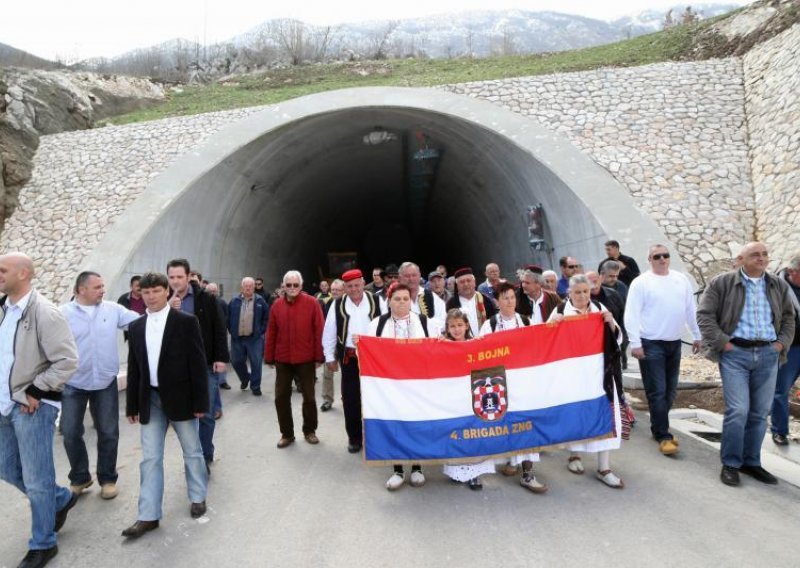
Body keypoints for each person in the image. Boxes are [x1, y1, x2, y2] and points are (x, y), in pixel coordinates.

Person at [0, 252, 79, 568]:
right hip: (3, 406)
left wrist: (35, 390)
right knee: (6, 467)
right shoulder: (3, 310)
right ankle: (60, 499)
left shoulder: (46, 312)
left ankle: (43, 543)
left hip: (31, 406)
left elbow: (67, 361)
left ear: (24, 273)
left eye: (3, 269)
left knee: (36, 478)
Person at [697, 242, 795, 487]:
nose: (761, 258)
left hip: (768, 355)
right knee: (738, 410)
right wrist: (724, 343)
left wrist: (780, 345)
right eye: (755, 255)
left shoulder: (777, 284)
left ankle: (751, 462)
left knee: (760, 413)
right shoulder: (722, 283)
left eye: (764, 254)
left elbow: (789, 318)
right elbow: (705, 315)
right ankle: (730, 463)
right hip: (735, 355)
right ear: (741, 259)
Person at [123, 272, 210, 539]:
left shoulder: (185, 322)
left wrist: (200, 401)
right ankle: (148, 515)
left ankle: (197, 497)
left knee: (192, 450)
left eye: (156, 291)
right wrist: (132, 406)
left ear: (166, 291)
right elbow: (135, 366)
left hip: (182, 397)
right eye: (145, 292)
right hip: (150, 398)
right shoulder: (136, 326)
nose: (150, 296)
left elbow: (197, 364)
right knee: (150, 458)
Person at [60, 271, 140, 501]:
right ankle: (80, 477)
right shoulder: (63, 314)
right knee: (70, 431)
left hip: (104, 382)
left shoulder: (113, 310)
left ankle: (107, 479)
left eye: (103, 286)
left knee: (108, 432)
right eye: (97, 287)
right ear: (81, 290)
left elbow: (140, 322)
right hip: (74, 383)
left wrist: (165, 310)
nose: (103, 290)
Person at [549, 274, 626, 488]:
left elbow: (617, 339)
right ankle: (575, 456)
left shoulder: (599, 309)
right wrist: (553, 325)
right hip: (572, 374)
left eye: (585, 291)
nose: (583, 296)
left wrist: (610, 323)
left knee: (605, 414)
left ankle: (604, 467)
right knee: (577, 414)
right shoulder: (561, 311)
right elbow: (547, 341)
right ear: (569, 293)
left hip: (599, 372)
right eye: (577, 292)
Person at [624, 245, 701, 456]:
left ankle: (658, 424)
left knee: (670, 390)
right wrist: (635, 343)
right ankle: (663, 434)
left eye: (665, 255)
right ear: (649, 259)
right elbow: (631, 314)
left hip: (674, 343)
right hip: (650, 344)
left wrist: (697, 334)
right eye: (657, 256)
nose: (662, 259)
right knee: (657, 390)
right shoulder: (641, 282)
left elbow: (690, 309)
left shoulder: (681, 279)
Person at [364, 283, 437, 491]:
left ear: (411, 301)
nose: (402, 302)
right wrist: (361, 344)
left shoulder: (425, 323)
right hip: (390, 387)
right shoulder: (377, 324)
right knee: (395, 425)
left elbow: (436, 351)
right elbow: (367, 354)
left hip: (418, 386)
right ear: (389, 301)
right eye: (397, 299)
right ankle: (397, 470)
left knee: (416, 424)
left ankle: (417, 467)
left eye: (406, 298)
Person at [478, 284, 548, 493]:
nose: (509, 301)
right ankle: (512, 460)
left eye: (512, 297)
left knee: (526, 424)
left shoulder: (526, 322)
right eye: (505, 298)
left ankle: (527, 472)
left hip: (524, 381)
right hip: (500, 382)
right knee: (506, 423)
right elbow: (482, 352)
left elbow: (539, 346)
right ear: (497, 302)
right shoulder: (489, 325)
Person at [166, 259, 229, 471]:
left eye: (179, 277)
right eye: (171, 277)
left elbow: (219, 329)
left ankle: (205, 455)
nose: (175, 281)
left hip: (204, 364)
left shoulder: (206, 299)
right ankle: (193, 456)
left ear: (188, 277)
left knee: (207, 412)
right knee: (185, 417)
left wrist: (221, 358)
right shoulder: (163, 301)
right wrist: (168, 310)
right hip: (176, 368)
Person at [322, 269, 381, 452]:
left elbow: (387, 325)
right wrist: (330, 357)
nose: (354, 289)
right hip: (349, 358)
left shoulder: (378, 301)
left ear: (363, 283)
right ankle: (354, 438)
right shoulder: (337, 304)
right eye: (350, 286)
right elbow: (329, 332)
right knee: (350, 399)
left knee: (376, 398)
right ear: (344, 288)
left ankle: (375, 437)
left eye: (357, 285)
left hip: (374, 358)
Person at [265, 270, 325, 448]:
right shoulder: (276, 305)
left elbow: (318, 330)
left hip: (306, 359)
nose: (292, 288)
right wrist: (269, 357)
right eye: (288, 285)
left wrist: (318, 356)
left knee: (309, 397)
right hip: (283, 359)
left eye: (295, 285)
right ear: (283, 286)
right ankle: (287, 434)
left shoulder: (312, 303)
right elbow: (272, 332)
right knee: (281, 397)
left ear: (301, 285)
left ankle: (309, 430)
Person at [771, 254, 800, 446]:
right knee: (781, 390)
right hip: (791, 347)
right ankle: (779, 431)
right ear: (792, 272)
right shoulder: (776, 287)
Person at [228, 277, 269, 398]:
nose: (248, 288)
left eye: (250, 286)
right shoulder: (234, 301)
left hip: (254, 339)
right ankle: (245, 378)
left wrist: (260, 331)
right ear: (241, 287)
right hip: (237, 338)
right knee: (236, 361)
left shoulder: (260, 301)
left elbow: (266, 318)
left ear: (254, 287)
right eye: (245, 286)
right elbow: (228, 317)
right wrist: (232, 330)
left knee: (256, 362)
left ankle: (255, 386)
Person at [446, 267, 497, 337]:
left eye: (468, 280)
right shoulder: (451, 304)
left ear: (474, 282)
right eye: (462, 282)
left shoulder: (485, 300)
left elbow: (493, 323)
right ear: (457, 286)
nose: (466, 284)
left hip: (485, 342)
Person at [319, 279, 344, 412]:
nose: (334, 292)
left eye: (337, 290)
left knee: (347, 374)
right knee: (327, 372)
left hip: (345, 344)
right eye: (333, 290)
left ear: (344, 290)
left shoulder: (348, 304)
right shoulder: (327, 303)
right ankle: (327, 399)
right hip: (331, 343)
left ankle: (347, 398)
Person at [398, 261, 446, 329]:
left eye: (414, 275)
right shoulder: (394, 298)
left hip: (427, 338)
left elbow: (443, 322)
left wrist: (419, 324)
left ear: (419, 275)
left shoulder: (432, 297)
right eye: (407, 276)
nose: (411, 279)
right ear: (400, 278)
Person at [205, 282, 231, 396]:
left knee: (220, 357)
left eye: (214, 291)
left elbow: (226, 316)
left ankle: (223, 381)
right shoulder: (203, 302)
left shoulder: (222, 302)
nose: (212, 293)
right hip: (208, 336)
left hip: (219, 333)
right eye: (210, 291)